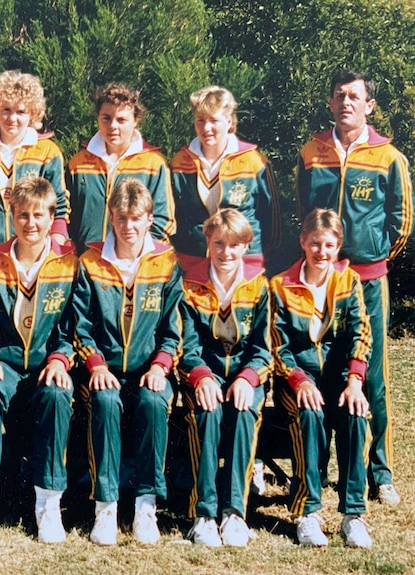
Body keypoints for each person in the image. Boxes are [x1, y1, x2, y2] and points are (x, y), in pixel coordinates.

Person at [296, 69, 412, 505]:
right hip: (321, 280)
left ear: (369, 105)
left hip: (368, 280)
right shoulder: (311, 153)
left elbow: (401, 222)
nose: (346, 102)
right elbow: (303, 211)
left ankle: (379, 469)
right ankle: (321, 465)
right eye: (340, 95)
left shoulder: (389, 157)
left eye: (355, 96)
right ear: (330, 103)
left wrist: (373, 257)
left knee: (373, 375)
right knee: (324, 368)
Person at [0, 177, 76, 543]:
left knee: (57, 394)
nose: (30, 223)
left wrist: (59, 358)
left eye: (38, 215)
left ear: (51, 217)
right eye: (23, 215)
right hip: (5, 362)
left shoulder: (68, 264)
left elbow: (73, 326)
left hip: (46, 364)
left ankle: (48, 502)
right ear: (12, 216)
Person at [73, 178, 182, 546]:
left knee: (153, 401)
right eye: (121, 217)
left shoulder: (166, 263)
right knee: (104, 401)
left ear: (150, 219)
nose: (128, 226)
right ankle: (105, 505)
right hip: (104, 369)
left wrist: (160, 365)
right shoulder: (91, 262)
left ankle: (145, 504)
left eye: (136, 218)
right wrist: (97, 365)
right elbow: (81, 327)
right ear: (111, 218)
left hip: (150, 369)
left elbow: (173, 329)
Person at [270, 208, 373, 548]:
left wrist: (355, 381)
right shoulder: (281, 285)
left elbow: (361, 333)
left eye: (329, 245)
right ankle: (308, 511)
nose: (321, 252)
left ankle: (353, 514)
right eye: (315, 243)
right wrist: (300, 380)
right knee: (309, 414)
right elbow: (278, 345)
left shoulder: (349, 281)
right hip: (296, 380)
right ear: (303, 241)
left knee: (355, 412)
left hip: (340, 378)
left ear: (338, 245)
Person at [179, 209, 271, 547]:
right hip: (204, 375)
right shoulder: (190, 283)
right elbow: (186, 345)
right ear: (208, 242)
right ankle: (203, 514)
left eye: (234, 245)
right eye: (219, 243)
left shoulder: (260, 285)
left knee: (244, 413)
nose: (226, 252)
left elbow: (265, 348)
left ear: (246, 246)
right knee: (208, 412)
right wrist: (201, 376)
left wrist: (248, 378)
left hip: (245, 380)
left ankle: (234, 512)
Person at [170, 86, 281, 269]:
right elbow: (173, 216)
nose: (206, 128)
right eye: (200, 120)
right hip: (194, 262)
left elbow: (271, 221)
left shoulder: (254, 161)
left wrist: (257, 255)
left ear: (229, 121)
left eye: (214, 120)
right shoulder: (180, 162)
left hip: (245, 263)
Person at [0, 70, 69, 249]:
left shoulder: (47, 152)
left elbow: (59, 206)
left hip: (33, 254)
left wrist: (54, 248)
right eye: (6, 110)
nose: (12, 118)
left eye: (21, 112)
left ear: (33, 114)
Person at [68, 83, 175, 253]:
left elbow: (163, 220)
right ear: (98, 118)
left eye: (121, 120)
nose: (113, 126)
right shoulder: (79, 164)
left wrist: (138, 256)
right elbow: (67, 216)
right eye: (106, 118)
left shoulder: (153, 164)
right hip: (87, 264)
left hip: (135, 266)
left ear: (135, 120)